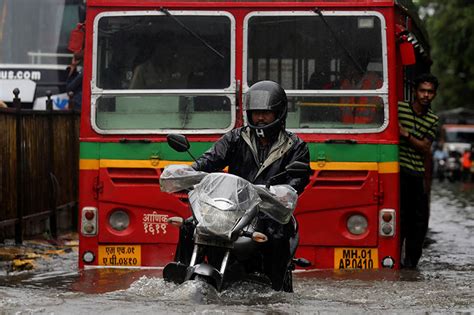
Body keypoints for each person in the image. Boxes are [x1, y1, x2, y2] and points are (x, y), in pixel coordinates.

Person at [177, 80, 310, 290]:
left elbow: (297, 182)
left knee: (277, 235)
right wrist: (188, 172)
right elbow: (210, 159)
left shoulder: (296, 146)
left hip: (270, 212)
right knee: (190, 226)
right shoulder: (236, 138)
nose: (260, 118)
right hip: (234, 208)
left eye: (266, 113)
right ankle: (179, 274)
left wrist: (283, 193)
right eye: (256, 112)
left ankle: (275, 289)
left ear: (279, 113)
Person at [398, 73, 439, 268]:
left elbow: (424, 147)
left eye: (430, 92)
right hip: (399, 172)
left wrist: (406, 134)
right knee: (401, 219)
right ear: (415, 92)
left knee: (418, 223)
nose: (426, 95)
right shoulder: (399, 109)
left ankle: (411, 265)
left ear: (434, 95)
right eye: (423, 91)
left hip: (417, 174)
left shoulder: (433, 120)